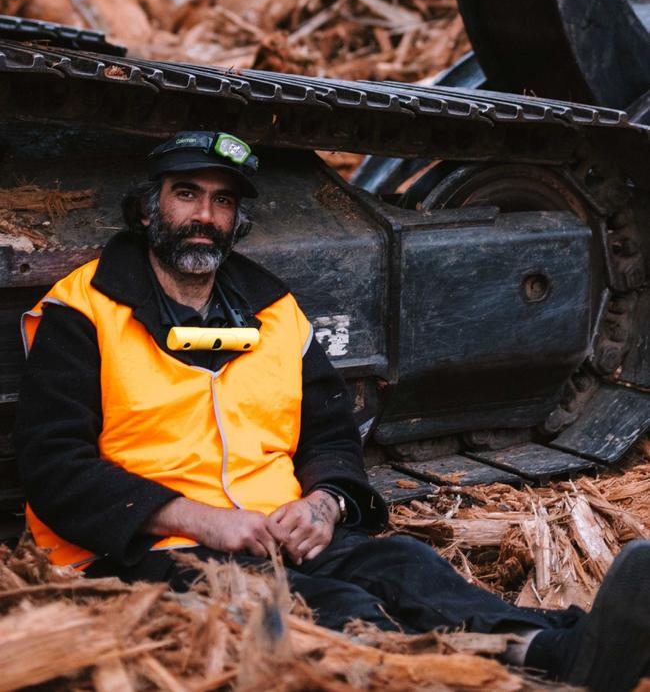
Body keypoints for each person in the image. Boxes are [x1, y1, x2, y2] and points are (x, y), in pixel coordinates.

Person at [15, 130, 649, 692]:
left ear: (239, 222)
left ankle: (552, 651)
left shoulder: (273, 312)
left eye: (224, 201)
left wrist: (324, 506)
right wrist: (202, 521)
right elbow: (53, 465)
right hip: (148, 549)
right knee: (339, 607)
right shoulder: (84, 312)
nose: (203, 216)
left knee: (404, 566)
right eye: (187, 194)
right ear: (148, 207)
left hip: (275, 533)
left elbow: (331, 434)